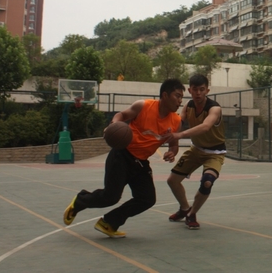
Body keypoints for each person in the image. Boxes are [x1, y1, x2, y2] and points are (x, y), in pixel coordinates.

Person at [62, 79, 185, 238]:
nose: (180, 101)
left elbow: (174, 144)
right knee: (110, 197)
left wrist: (172, 152)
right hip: (122, 155)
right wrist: (114, 125)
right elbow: (121, 115)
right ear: (165, 95)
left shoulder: (176, 121)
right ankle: (80, 201)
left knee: (147, 199)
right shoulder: (143, 106)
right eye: (177, 96)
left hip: (141, 163)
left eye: (182, 97)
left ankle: (109, 222)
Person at [166, 74, 224, 230]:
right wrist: (172, 147)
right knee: (172, 181)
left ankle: (192, 214)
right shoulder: (188, 105)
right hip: (196, 150)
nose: (198, 93)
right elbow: (178, 123)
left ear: (207, 90)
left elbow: (205, 126)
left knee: (207, 182)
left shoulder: (214, 108)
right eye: (195, 89)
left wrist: (180, 135)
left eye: (202, 89)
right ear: (190, 90)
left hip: (215, 153)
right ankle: (185, 208)